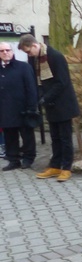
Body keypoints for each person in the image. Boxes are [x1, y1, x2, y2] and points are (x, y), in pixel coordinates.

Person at [18, 34, 80, 182]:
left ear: (34, 45)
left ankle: (66, 168)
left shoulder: (55, 56)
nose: (28, 55)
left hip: (63, 103)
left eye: (28, 51)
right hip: (50, 104)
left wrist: (46, 98)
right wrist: (40, 97)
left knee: (65, 138)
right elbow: (36, 80)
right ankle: (55, 166)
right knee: (55, 137)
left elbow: (62, 82)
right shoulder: (35, 59)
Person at [0, 42, 38, 171]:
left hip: (23, 109)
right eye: (2, 51)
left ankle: (28, 159)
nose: (5, 53)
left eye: (7, 50)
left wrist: (32, 107)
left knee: (27, 136)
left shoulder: (23, 67)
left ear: (12, 51)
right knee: (10, 137)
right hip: (5, 110)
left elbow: (31, 88)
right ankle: (13, 160)